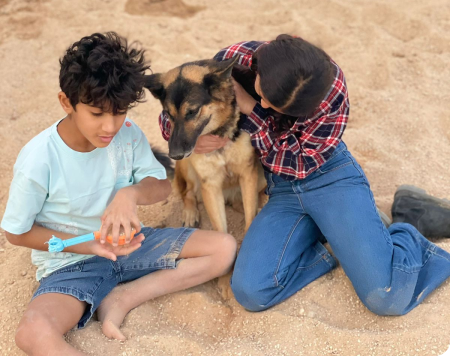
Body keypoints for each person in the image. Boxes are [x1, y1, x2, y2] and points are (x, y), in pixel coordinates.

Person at [161, 35, 450, 316]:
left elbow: (296, 164)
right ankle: (332, 238)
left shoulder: (330, 89)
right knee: (252, 291)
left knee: (385, 298)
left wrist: (250, 107)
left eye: (276, 109)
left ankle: (406, 228)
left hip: (326, 175)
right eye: (264, 96)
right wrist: (187, 138)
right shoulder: (233, 61)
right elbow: (173, 105)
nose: (263, 105)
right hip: (280, 189)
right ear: (259, 68)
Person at [1, 32, 236, 356]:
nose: (110, 126)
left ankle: (124, 297)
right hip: (72, 264)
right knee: (33, 331)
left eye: (119, 112)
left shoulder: (127, 134)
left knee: (223, 249)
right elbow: (16, 233)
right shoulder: (39, 158)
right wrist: (86, 244)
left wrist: (129, 195)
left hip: (132, 246)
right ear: (66, 102)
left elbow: (161, 185)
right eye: (97, 114)